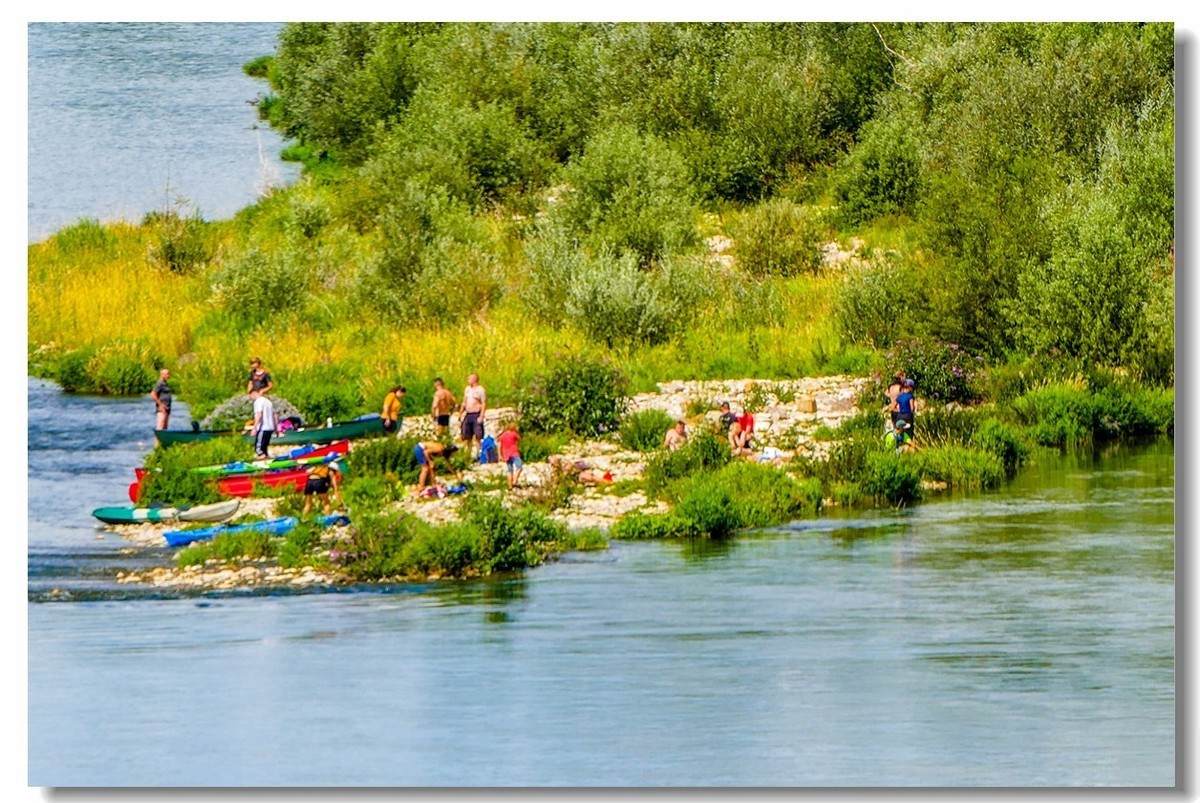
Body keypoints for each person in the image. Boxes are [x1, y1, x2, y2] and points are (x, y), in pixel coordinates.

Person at [459, 372, 487, 458]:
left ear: (474, 379)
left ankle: (478, 453)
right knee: (467, 435)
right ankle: (468, 453)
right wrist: (460, 413)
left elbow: (484, 403)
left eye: (469, 378)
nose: (468, 380)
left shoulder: (480, 390)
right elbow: (464, 402)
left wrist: (481, 415)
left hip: (476, 414)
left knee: (478, 435)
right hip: (468, 414)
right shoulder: (467, 389)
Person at [548, 455, 612, 486]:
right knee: (587, 477)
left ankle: (607, 481)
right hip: (575, 476)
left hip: (577, 470)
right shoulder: (554, 470)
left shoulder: (564, 462)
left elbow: (569, 467)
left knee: (589, 476)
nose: (553, 465)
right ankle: (605, 481)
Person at [250, 389, 276, 459]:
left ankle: (261, 462)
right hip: (270, 428)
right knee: (264, 448)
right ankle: (266, 461)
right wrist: (276, 428)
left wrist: (254, 428)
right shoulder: (268, 402)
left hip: (263, 428)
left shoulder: (258, 401)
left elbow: (259, 414)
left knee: (259, 449)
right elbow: (274, 415)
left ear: (253, 393)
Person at [498, 420, 523, 489]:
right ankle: (514, 481)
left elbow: (499, 445)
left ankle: (510, 486)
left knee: (510, 470)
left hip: (506, 455)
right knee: (519, 467)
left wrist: (500, 455)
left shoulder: (502, 435)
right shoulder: (514, 434)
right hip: (514, 453)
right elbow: (520, 439)